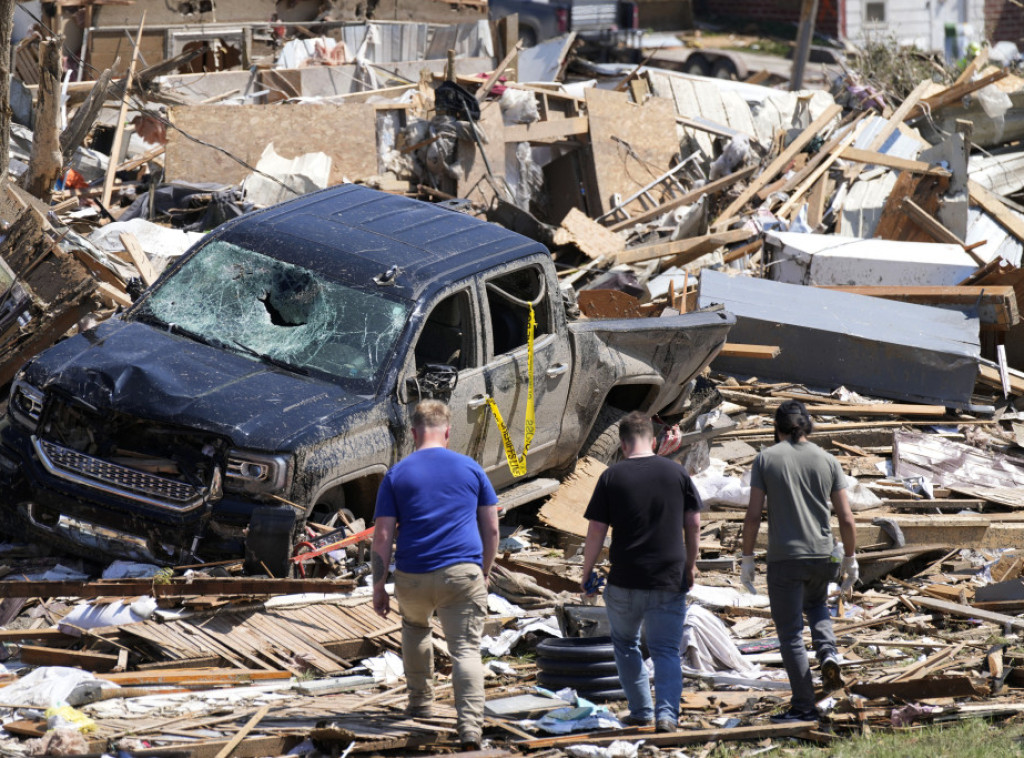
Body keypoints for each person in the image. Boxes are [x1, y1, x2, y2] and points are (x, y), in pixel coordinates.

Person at [371, 399, 500, 750]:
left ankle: (420, 704)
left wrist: (378, 586)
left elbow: (382, 536)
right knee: (466, 651)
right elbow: (491, 530)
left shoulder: (397, 474)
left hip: (412, 577)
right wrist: (483, 572)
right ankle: (470, 728)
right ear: (447, 431)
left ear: (414, 433)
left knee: (415, 628)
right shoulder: (471, 468)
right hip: (462, 575)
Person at [580, 411, 703, 734]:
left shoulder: (611, 476)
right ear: (653, 440)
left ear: (622, 445)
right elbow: (693, 524)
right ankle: (666, 715)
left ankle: (640, 711)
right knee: (665, 650)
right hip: (668, 578)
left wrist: (587, 571)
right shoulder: (677, 473)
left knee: (624, 645)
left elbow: (595, 531)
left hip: (625, 580)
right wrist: (690, 565)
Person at [739, 399, 858, 724]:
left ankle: (804, 706)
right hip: (824, 555)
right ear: (807, 426)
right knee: (818, 606)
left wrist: (747, 558)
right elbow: (846, 518)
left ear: (776, 427)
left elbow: (752, 516)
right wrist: (850, 557)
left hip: (785, 559)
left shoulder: (765, 459)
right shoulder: (828, 459)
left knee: (790, 633)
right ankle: (829, 653)